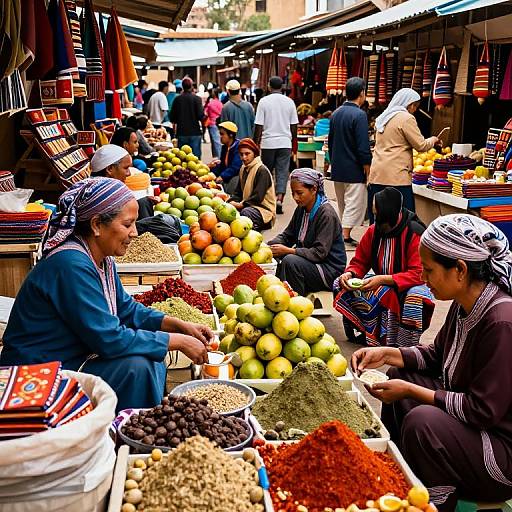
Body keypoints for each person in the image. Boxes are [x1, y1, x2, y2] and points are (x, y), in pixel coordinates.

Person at [0, 178, 211, 412]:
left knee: (151, 357)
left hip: (69, 359)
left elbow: (126, 309)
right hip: (35, 374)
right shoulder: (70, 264)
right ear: (97, 224)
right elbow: (109, 339)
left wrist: (177, 325)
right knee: (137, 367)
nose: (135, 233)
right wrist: (177, 342)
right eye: (128, 224)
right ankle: (127, 433)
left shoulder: (102, 258)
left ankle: (138, 426)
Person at [351, 214, 512, 510]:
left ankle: (434, 502)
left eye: (429, 270)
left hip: (500, 453)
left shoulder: (501, 321)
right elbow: (436, 356)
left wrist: (412, 392)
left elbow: (482, 411)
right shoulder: (465, 303)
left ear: (460, 270)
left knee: (422, 423)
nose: (423, 279)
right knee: (399, 372)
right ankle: (399, 476)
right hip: (473, 428)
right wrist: (387, 353)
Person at [334, 187, 434, 346]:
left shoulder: (414, 233)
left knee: (416, 298)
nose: (377, 221)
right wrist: (351, 274)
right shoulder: (374, 231)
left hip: (412, 285)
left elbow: (418, 273)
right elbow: (360, 261)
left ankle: (404, 345)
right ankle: (372, 334)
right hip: (384, 282)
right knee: (340, 283)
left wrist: (385, 279)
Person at [268, 169, 346, 296]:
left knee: (290, 261)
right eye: (293, 193)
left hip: (329, 270)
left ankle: (296, 301)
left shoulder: (326, 214)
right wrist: (267, 246)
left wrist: (289, 250)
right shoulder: (301, 209)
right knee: (274, 260)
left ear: (314, 189)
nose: (295, 198)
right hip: (310, 262)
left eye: (299, 193)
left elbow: (319, 253)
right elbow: (288, 236)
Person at [369, 88, 440, 221]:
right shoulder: (406, 118)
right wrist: (433, 140)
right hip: (397, 176)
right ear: (410, 104)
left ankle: (378, 242)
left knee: (380, 217)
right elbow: (421, 145)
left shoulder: (384, 117)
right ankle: (400, 243)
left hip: (377, 174)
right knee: (403, 218)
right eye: (415, 106)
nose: (415, 109)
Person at [328, 77, 372, 247]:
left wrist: (333, 162)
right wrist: (367, 168)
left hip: (338, 167)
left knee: (343, 204)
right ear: (362, 93)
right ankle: (344, 236)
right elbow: (363, 147)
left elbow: (330, 142)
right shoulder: (359, 115)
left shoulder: (336, 112)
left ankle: (343, 234)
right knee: (354, 203)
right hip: (353, 168)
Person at [254, 76, 299, 215]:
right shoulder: (290, 102)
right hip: (284, 142)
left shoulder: (263, 102)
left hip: (268, 143)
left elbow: (259, 126)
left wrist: (255, 143)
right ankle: (279, 199)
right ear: (282, 87)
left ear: (268, 86)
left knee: (266, 172)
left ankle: (267, 201)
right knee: (282, 171)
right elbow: (294, 126)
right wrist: (293, 142)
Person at [229, 138, 276, 232]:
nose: (244, 158)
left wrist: (240, 205)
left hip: (263, 211)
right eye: (241, 154)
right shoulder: (243, 168)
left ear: (254, 153)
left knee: (245, 213)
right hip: (248, 206)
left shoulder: (262, 170)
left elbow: (257, 197)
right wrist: (229, 201)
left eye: (247, 154)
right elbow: (238, 192)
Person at [169, 77, 204, 159]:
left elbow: (172, 118)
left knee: (183, 159)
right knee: (195, 159)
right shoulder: (197, 99)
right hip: (195, 132)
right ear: (191, 86)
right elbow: (200, 116)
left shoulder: (177, 99)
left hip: (181, 132)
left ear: (182, 86)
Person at [209, 121, 242, 196]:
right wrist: (210, 170)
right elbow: (223, 166)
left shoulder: (238, 147)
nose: (220, 136)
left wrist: (221, 176)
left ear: (231, 135)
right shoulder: (225, 147)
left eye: (222, 134)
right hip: (228, 175)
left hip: (237, 177)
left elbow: (235, 167)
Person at [204, 88, 223, 158]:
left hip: (212, 123)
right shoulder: (220, 103)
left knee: (215, 142)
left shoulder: (210, 103)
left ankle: (217, 157)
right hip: (218, 123)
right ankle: (217, 157)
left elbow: (206, 112)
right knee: (217, 142)